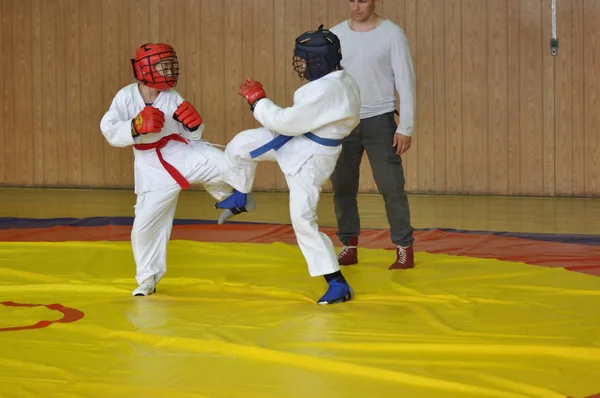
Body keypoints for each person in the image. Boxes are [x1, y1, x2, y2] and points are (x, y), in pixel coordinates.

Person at [214, 25, 361, 305]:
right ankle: (241, 196)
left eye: (305, 60)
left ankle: (337, 283)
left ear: (318, 61)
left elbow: (285, 121)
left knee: (302, 218)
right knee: (241, 145)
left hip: (312, 157)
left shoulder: (329, 90)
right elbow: (291, 123)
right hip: (299, 140)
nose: (302, 65)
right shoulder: (338, 81)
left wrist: (257, 100)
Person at [100, 43, 241, 297]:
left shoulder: (173, 96)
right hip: (151, 168)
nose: (168, 70)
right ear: (144, 69)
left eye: (169, 65)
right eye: (162, 65)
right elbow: (109, 130)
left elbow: (194, 137)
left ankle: (230, 198)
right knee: (144, 228)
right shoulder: (125, 97)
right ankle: (147, 279)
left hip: (180, 154)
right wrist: (135, 127)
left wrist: (195, 126)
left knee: (222, 162)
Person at [330, 0, 416, 270]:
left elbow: (405, 80)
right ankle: (348, 246)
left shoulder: (392, 33)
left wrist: (406, 127)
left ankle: (404, 247)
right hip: (344, 120)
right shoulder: (335, 36)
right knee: (342, 187)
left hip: (380, 119)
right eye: (351, 0)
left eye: (362, 0)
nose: (356, 6)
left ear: (374, 1)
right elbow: (328, 83)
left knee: (391, 187)